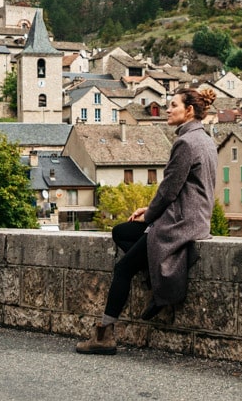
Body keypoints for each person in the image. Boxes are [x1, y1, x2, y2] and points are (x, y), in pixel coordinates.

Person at [76, 87, 218, 355]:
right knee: (122, 232)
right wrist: (147, 209)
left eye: (173, 105)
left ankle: (105, 334)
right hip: (196, 218)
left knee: (123, 269)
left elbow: (169, 190)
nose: (167, 109)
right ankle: (157, 276)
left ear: (189, 111)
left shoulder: (185, 143)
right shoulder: (205, 139)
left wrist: (151, 214)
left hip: (180, 222)